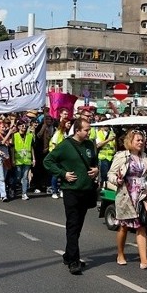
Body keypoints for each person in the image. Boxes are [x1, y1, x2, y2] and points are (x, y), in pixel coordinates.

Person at [43, 117, 99, 275]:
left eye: (89, 129)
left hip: (86, 190)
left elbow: (94, 163)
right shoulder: (66, 145)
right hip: (71, 190)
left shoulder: (89, 145)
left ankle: (69, 255)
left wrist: (96, 170)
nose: (89, 132)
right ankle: (74, 261)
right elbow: (48, 161)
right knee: (73, 225)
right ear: (78, 130)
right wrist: (63, 173)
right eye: (86, 130)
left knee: (78, 225)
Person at [108, 129, 147, 269]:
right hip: (126, 195)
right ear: (130, 141)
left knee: (141, 226)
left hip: (141, 196)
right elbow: (111, 174)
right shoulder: (122, 156)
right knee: (123, 227)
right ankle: (120, 253)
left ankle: (144, 261)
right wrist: (117, 180)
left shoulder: (145, 157)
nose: (141, 142)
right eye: (138, 140)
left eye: (142, 140)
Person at [12, 118, 36, 200]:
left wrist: (34, 159)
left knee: (25, 177)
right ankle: (12, 188)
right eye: (22, 126)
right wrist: (13, 159)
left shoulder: (29, 135)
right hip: (18, 160)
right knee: (18, 177)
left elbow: (31, 147)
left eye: (25, 125)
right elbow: (12, 148)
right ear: (18, 127)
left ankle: (24, 193)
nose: (24, 127)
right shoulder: (15, 136)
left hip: (27, 159)